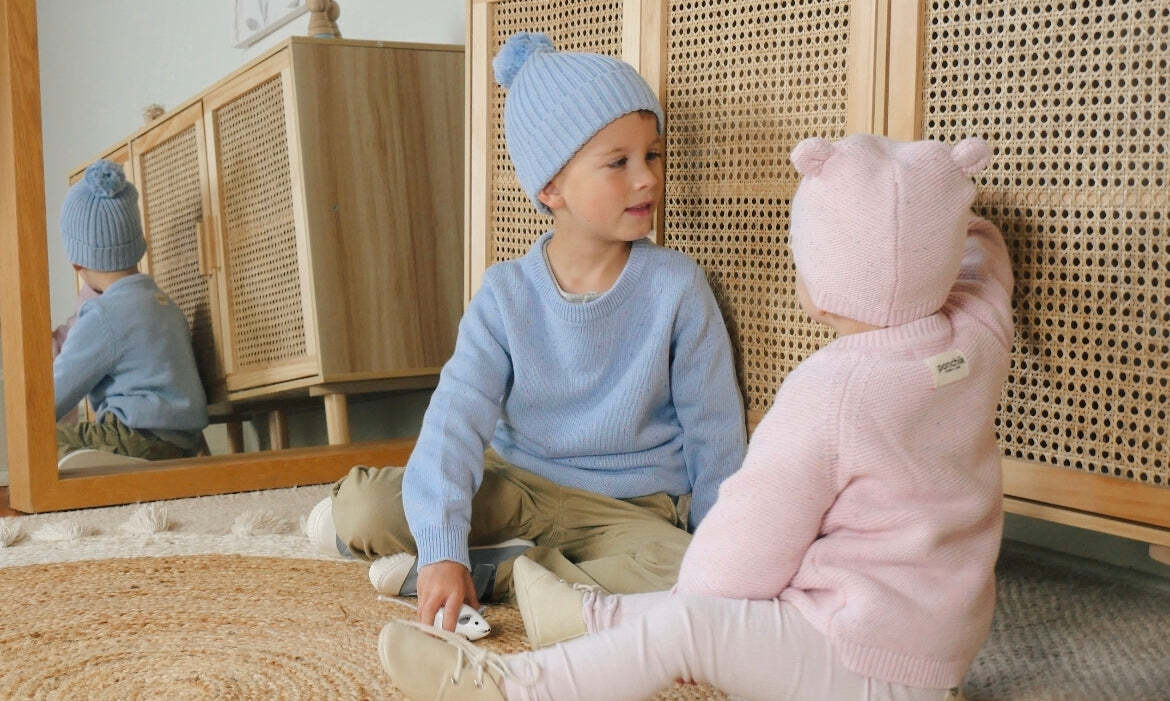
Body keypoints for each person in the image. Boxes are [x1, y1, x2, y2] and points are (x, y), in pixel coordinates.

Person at [377, 133, 1014, 701]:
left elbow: (747, 541)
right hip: (937, 648)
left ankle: (513, 687)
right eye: (619, 161)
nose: (647, 175)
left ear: (819, 288)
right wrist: (933, 209)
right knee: (378, 505)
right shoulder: (978, 337)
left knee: (690, 620)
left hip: (856, 649)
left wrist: (698, 610)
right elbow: (984, 259)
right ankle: (590, 614)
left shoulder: (828, 391)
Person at [306, 31, 746, 633]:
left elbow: (715, 430)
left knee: (684, 571)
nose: (647, 178)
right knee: (365, 509)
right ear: (550, 187)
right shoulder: (506, 294)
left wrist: (723, 543)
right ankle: (477, 565)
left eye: (653, 155)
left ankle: (497, 574)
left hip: (630, 509)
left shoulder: (678, 286)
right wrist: (440, 548)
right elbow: (455, 420)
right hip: (517, 485)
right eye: (618, 162)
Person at [54, 159, 209, 461]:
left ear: (76, 262)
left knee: (28, 443)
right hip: (184, 444)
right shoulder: (164, 305)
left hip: (134, 438)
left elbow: (53, 396)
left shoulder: (102, 315)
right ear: (138, 245)